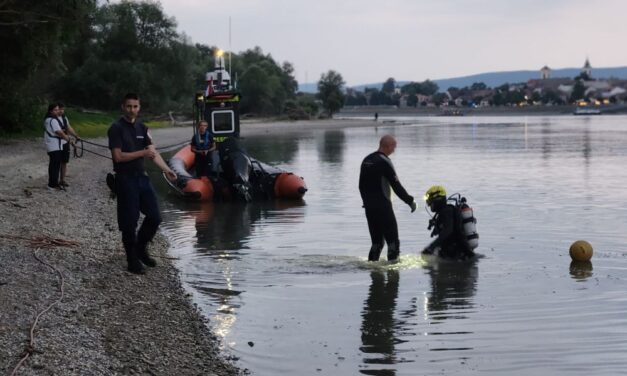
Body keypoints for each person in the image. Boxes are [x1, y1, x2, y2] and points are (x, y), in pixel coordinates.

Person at [108, 93, 177, 274]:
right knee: (129, 222)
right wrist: (141, 153)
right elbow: (118, 156)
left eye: (135, 106)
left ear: (139, 108)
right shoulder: (116, 128)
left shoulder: (143, 128)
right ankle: (132, 260)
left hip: (142, 178)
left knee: (155, 217)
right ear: (123, 107)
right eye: (129, 106)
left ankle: (140, 248)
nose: (132, 110)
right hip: (124, 179)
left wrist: (166, 170)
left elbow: (152, 153)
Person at [359, 135, 416, 262]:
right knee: (393, 243)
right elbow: (396, 186)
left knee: (377, 243)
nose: (394, 150)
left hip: (369, 208)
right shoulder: (384, 161)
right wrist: (410, 201)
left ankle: (373, 270)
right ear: (387, 145)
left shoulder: (366, 160)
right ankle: (393, 274)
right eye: (394, 146)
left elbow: (360, 186)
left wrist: (366, 202)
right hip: (383, 207)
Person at [422, 185, 474, 259]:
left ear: (437, 200)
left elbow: (448, 230)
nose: (430, 205)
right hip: (452, 253)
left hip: (458, 255)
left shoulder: (447, 211)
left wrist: (431, 247)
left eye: (430, 202)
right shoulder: (443, 212)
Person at [43, 103, 72, 191]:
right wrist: (68, 139)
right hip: (54, 145)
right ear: (51, 111)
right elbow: (59, 132)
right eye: (55, 110)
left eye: (57, 109)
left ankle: (54, 183)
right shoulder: (52, 120)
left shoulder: (48, 119)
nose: (57, 111)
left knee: (55, 164)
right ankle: (52, 185)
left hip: (53, 145)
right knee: (54, 165)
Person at [57, 103, 80, 187]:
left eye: (63, 109)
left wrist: (76, 135)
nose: (62, 111)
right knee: (57, 162)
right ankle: (54, 181)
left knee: (64, 161)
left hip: (65, 142)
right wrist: (70, 140)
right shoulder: (53, 119)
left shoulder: (64, 118)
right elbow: (59, 132)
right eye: (60, 109)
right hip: (57, 143)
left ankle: (62, 180)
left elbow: (68, 128)